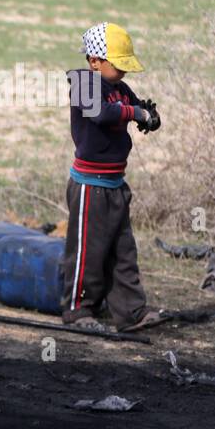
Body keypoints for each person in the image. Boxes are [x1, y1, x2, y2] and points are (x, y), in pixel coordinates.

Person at [61, 22, 164, 334]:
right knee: (87, 251)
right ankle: (78, 310)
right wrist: (134, 114)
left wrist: (149, 116)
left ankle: (131, 312)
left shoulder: (118, 88)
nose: (124, 73)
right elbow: (102, 114)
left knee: (123, 252)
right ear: (95, 62)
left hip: (115, 184)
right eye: (118, 66)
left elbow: (135, 107)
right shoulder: (83, 85)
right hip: (90, 186)